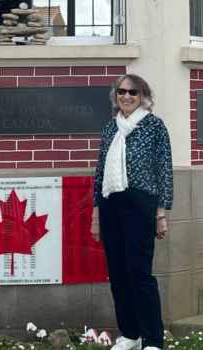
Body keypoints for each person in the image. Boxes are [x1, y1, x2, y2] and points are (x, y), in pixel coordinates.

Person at [91, 74, 173, 350]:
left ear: (143, 96)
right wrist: (96, 216)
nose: (126, 96)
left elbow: (164, 170)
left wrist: (160, 213)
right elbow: (100, 172)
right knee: (117, 273)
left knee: (139, 273)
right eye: (121, 91)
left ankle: (152, 339)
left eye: (133, 92)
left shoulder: (154, 126)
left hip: (141, 206)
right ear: (116, 96)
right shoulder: (109, 128)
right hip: (110, 204)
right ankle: (130, 334)